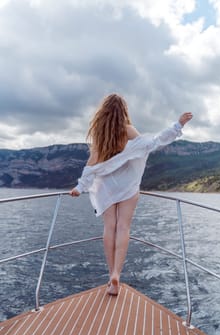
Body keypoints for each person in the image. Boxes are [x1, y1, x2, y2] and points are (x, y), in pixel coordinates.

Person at [70, 93, 192, 296]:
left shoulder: (100, 135)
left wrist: (80, 187)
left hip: (106, 188)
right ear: (123, 111)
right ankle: (117, 273)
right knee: (123, 227)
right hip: (127, 187)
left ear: (103, 112)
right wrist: (177, 126)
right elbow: (151, 143)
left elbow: (91, 164)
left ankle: (111, 276)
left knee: (110, 227)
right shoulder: (128, 130)